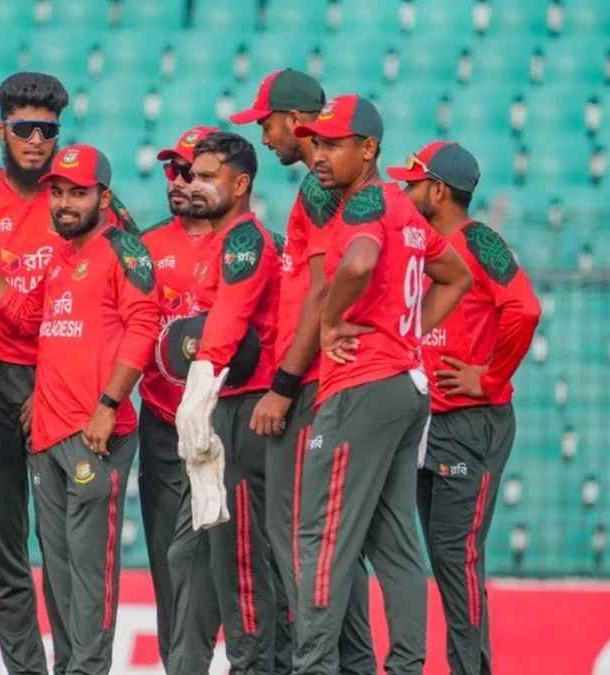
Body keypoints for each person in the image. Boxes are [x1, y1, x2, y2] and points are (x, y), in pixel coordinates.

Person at [0, 72, 136, 675]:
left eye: (48, 130)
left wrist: (61, 380)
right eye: (24, 129)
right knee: (3, 551)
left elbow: (125, 296)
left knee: (65, 547)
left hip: (61, 391)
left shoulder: (90, 203)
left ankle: (76, 663)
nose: (37, 140)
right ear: (2, 130)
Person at [291, 95, 473, 675]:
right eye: (317, 143)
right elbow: (456, 276)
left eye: (334, 144)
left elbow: (359, 263)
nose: (321, 155)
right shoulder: (402, 205)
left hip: (362, 386)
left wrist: (328, 321)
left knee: (322, 536)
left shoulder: (366, 202)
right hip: (405, 385)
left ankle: (314, 666)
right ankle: (406, 667)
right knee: (395, 546)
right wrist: (409, 333)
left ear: (368, 148)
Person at [232, 68, 377, 674]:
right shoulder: (333, 186)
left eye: (266, 124)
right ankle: (352, 662)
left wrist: (284, 386)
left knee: (296, 533)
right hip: (333, 379)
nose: (264, 138)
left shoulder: (318, 188)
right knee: (331, 540)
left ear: (296, 121)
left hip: (312, 381)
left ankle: (324, 663)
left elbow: (320, 292)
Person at [389, 141, 541, 675]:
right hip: (430, 421)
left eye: (412, 183)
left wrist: (490, 377)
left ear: (438, 190)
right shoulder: (426, 246)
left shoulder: (479, 240)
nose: (404, 191)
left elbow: (526, 308)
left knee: (457, 556)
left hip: (469, 422)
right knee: (444, 555)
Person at [169, 132, 280, 675]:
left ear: (240, 185)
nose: (195, 184)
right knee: (207, 553)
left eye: (209, 176)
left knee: (241, 556)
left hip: (244, 407)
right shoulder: (219, 242)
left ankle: (254, 665)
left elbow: (231, 317)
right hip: (228, 404)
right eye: (193, 175)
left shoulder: (244, 241)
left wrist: (200, 384)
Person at [136, 124, 222, 668]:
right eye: (173, 170)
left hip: (225, 426)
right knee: (169, 564)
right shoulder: (145, 248)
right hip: (163, 424)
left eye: (191, 172)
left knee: (232, 565)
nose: (179, 180)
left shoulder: (247, 245)